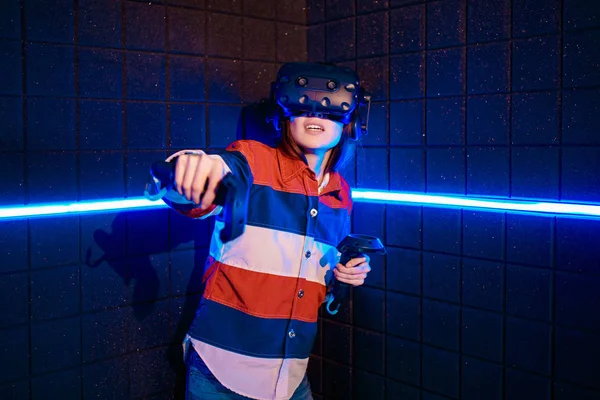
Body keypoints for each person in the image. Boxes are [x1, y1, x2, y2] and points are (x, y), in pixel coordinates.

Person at [153, 62, 372, 400]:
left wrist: (343, 277)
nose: (316, 112)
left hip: (291, 378)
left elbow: (313, 278)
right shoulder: (252, 161)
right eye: (302, 104)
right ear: (282, 114)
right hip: (220, 374)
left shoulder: (341, 193)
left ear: (352, 123)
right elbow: (213, 178)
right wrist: (189, 171)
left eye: (331, 108)